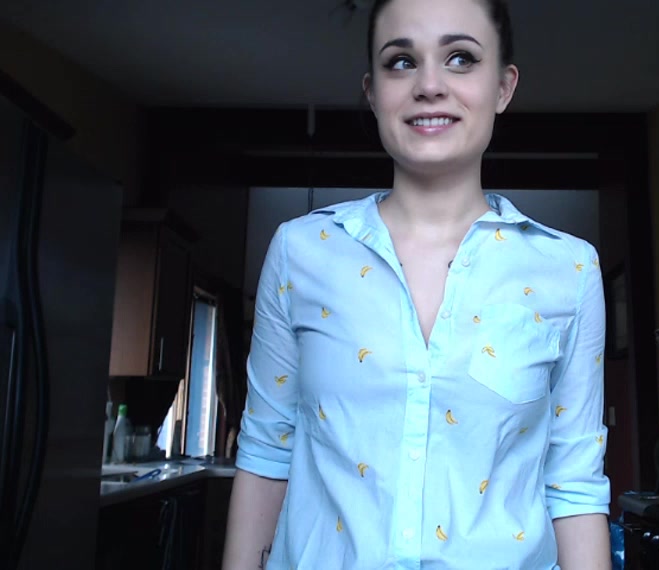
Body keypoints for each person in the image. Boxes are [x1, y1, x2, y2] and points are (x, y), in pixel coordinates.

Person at [223, 0, 612, 567]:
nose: (429, 85)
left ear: (503, 88)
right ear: (372, 91)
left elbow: (574, 484)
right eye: (401, 62)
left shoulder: (570, 271)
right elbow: (265, 453)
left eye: (460, 58)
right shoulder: (299, 252)